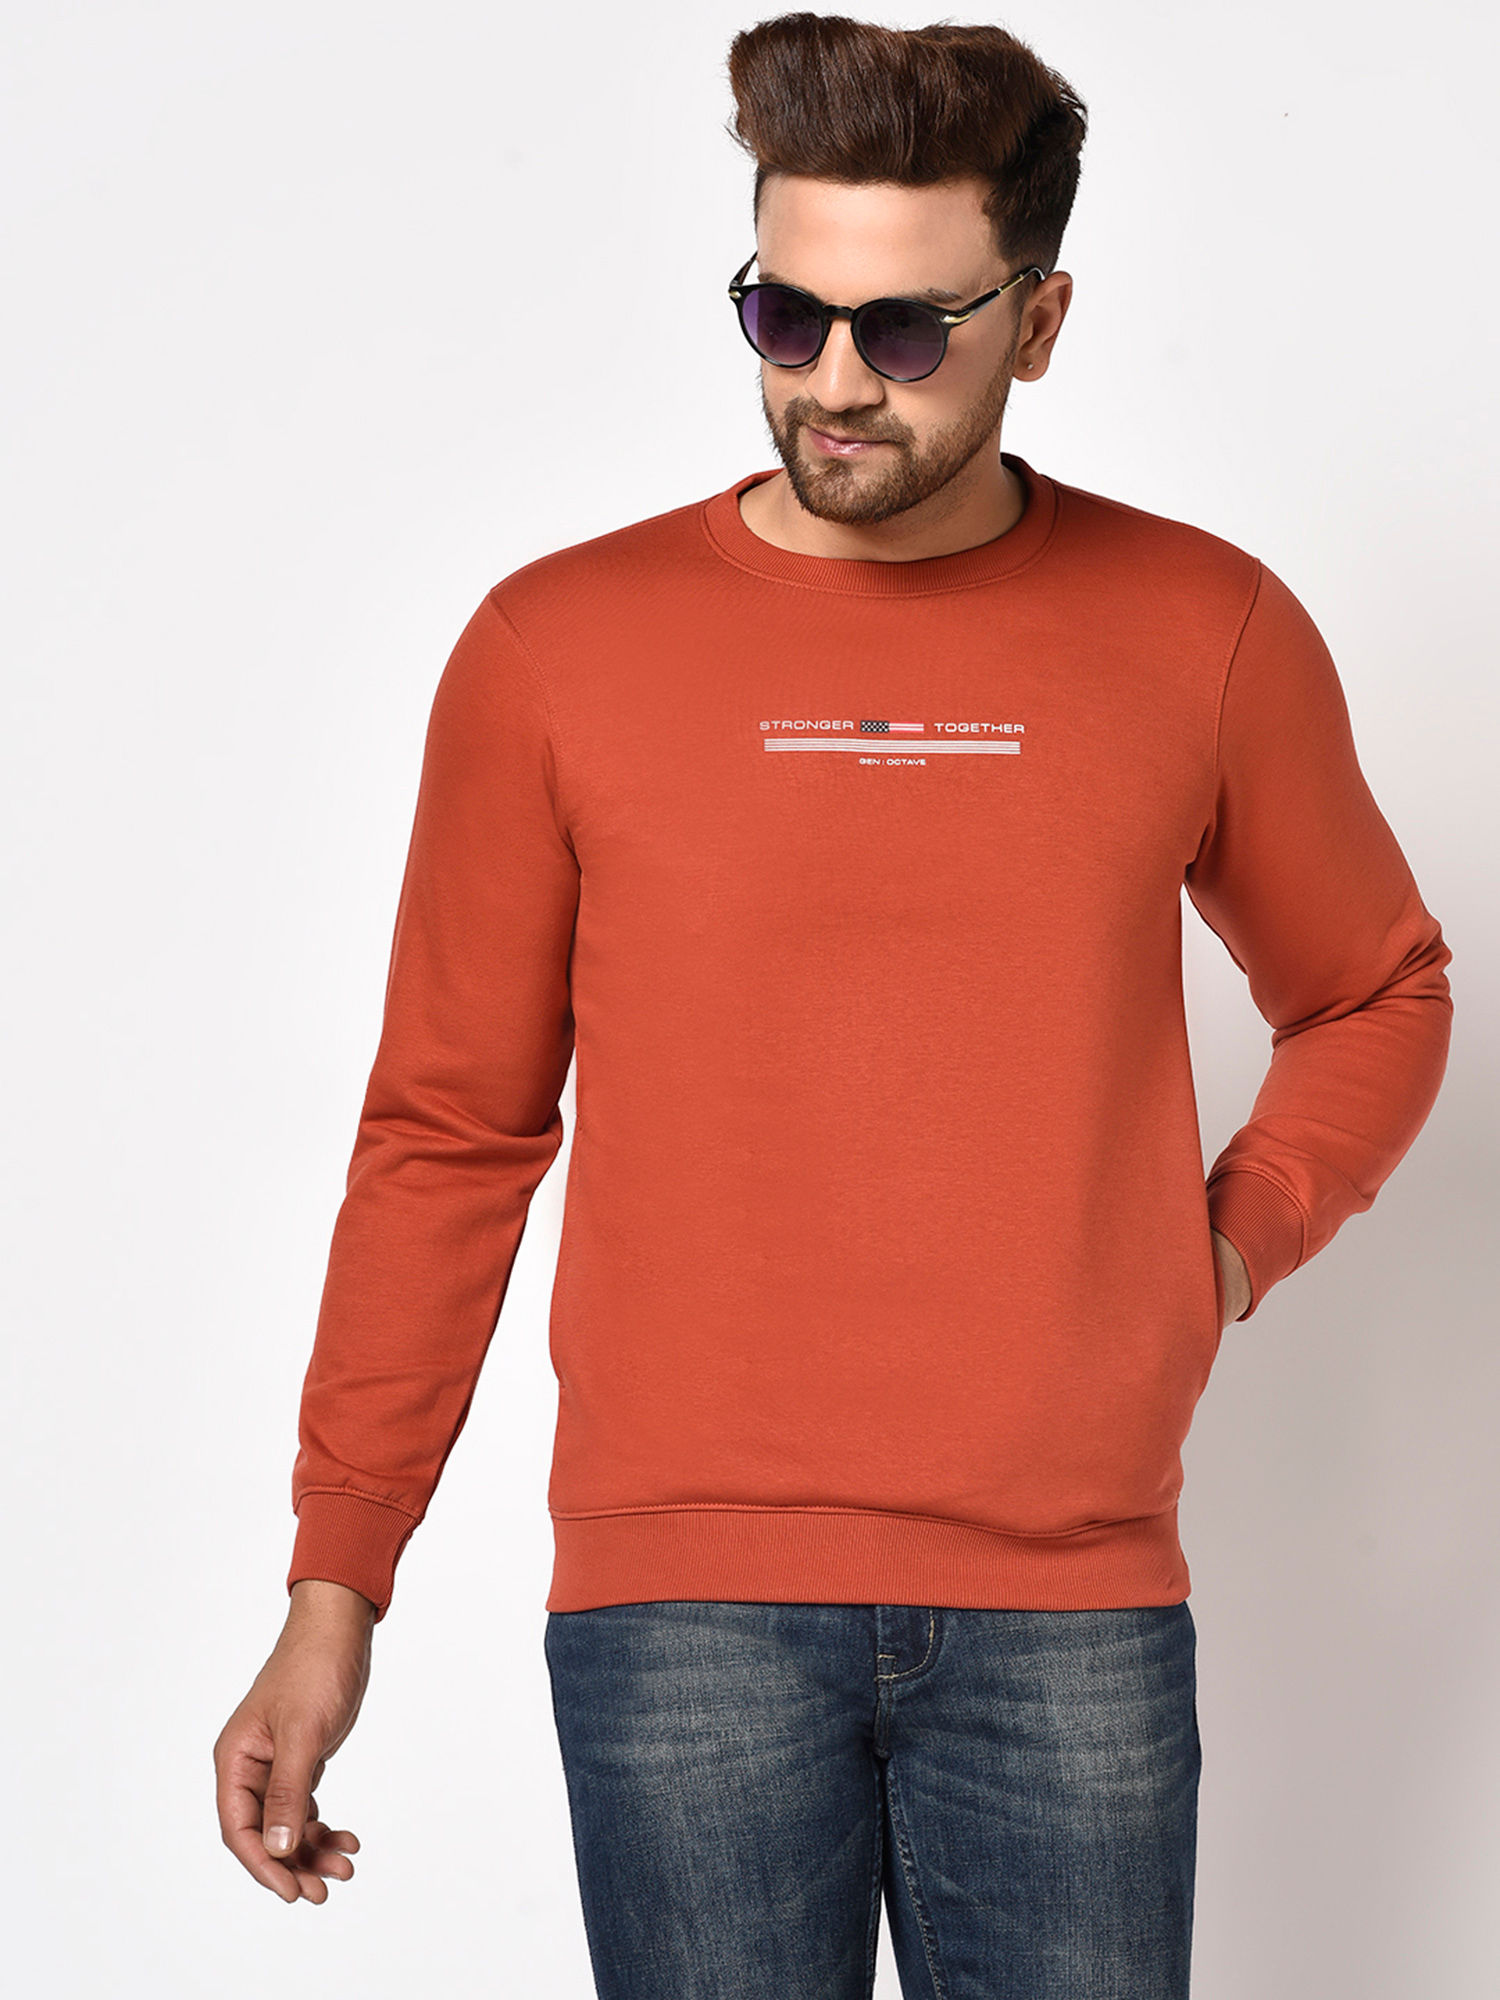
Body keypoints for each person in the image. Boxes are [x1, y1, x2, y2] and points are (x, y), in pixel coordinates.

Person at [214, 13, 1454, 1995]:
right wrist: (335, 1581)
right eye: (784, 317)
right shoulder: (557, 651)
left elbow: (1376, 988)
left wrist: (1225, 1247)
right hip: (679, 1606)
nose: (834, 383)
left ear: (1039, 322)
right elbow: (450, 1134)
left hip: (1070, 1603)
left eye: (903, 331)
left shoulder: (1201, 630)